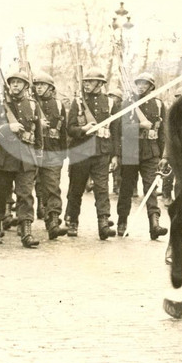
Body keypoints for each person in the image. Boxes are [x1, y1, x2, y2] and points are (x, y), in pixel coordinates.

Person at [0, 69, 42, 248]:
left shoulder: (33, 105)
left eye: (19, 82)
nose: (15, 85)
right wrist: (9, 127)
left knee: (25, 195)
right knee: (0, 194)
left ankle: (26, 232)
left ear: (26, 85)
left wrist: (39, 154)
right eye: (12, 82)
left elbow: (38, 132)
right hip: (3, 156)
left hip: (26, 157)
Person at [64, 66, 119, 239]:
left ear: (100, 84)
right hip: (81, 152)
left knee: (102, 189)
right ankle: (72, 221)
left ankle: (103, 224)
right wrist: (83, 129)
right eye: (85, 82)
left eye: (90, 81)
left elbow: (116, 131)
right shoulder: (78, 103)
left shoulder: (110, 103)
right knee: (76, 188)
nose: (86, 84)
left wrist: (115, 155)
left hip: (102, 152)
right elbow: (70, 128)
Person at [115, 72, 168, 240]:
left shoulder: (159, 105)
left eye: (145, 84)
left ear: (151, 87)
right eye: (139, 83)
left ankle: (154, 224)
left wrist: (162, 155)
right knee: (126, 189)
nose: (141, 86)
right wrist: (140, 125)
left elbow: (162, 132)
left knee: (151, 188)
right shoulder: (127, 104)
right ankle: (122, 222)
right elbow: (121, 128)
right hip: (131, 150)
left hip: (151, 152)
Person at [32, 71, 67, 240]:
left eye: (42, 85)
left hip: (53, 151)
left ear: (50, 88)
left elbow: (64, 131)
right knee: (25, 188)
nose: (39, 88)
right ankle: (24, 222)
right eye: (37, 85)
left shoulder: (59, 106)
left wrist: (63, 153)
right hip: (32, 151)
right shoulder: (30, 104)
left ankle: (53, 222)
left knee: (52, 187)